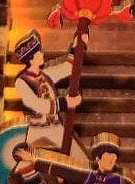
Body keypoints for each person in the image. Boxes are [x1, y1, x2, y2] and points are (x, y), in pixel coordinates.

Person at [13, 28, 88, 162]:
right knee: (25, 159)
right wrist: (65, 103)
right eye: (39, 53)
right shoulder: (22, 82)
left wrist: (77, 47)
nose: (42, 54)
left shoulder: (46, 74)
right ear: (31, 59)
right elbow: (37, 105)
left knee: (78, 155)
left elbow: (67, 68)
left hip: (55, 125)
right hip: (36, 127)